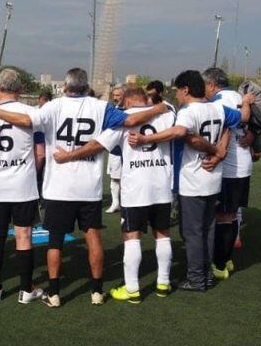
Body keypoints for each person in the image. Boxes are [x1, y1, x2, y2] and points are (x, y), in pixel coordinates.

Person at [0, 67, 167, 307]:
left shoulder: (53, 106)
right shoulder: (101, 107)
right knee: (93, 238)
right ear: (86, 85)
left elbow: (27, 120)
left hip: (58, 186)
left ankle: (54, 293)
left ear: (66, 86)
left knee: (55, 241)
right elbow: (131, 119)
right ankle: (97, 291)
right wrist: (159, 108)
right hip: (89, 186)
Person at [53, 85, 183, 303]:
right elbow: (179, 128)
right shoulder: (168, 114)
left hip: (135, 188)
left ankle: (132, 289)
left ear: (129, 102)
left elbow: (97, 145)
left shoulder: (122, 119)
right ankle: (163, 283)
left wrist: (70, 156)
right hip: (162, 185)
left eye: (123, 102)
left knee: (132, 237)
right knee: (162, 234)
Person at [131, 70, 252, 292]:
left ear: (185, 89)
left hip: (193, 179)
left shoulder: (189, 111)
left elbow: (181, 133)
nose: (176, 95)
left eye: (177, 90)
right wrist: (245, 103)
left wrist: (146, 138)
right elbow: (241, 118)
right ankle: (205, 275)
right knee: (207, 228)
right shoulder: (218, 107)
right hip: (213, 178)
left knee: (193, 232)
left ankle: (196, 278)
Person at [0, 68, 46, 304]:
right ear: (21, 89)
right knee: (24, 236)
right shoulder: (31, 112)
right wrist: (27, 172)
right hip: (23, 186)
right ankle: (26, 290)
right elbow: (40, 154)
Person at [203, 67, 252, 280]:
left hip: (229, 167)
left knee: (224, 216)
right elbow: (256, 123)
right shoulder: (239, 97)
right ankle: (227, 258)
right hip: (243, 165)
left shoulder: (220, 102)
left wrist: (217, 156)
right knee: (230, 215)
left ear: (212, 84)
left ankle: (220, 264)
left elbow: (225, 129)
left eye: (204, 86)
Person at [105, 85, 124, 214]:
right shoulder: (112, 109)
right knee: (114, 178)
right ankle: (115, 203)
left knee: (127, 179)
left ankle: (125, 203)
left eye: (118, 95)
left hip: (127, 151)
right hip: (114, 151)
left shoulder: (130, 110)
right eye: (114, 95)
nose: (116, 98)